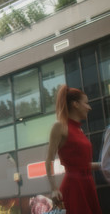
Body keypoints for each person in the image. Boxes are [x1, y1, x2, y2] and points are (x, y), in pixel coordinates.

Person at [45, 85, 102, 214]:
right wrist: (54, 188)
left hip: (87, 184)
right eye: (86, 103)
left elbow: (81, 165)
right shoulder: (60, 126)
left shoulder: (79, 130)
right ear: (76, 104)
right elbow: (49, 160)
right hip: (74, 187)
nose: (89, 107)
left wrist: (103, 164)